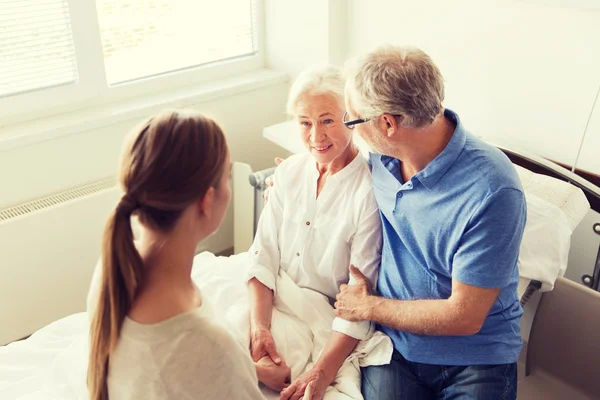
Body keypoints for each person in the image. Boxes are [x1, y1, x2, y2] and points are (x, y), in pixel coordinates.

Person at [331, 45, 527, 399]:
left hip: (476, 356)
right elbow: (326, 166)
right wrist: (288, 182)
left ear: (388, 123)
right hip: (394, 348)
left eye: (353, 120)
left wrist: (368, 306)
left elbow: (464, 316)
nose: (351, 128)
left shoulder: (493, 190)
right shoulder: (379, 159)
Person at [86, 110, 265, 400]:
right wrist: (233, 370)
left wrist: (249, 371)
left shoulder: (111, 271)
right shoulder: (209, 345)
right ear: (206, 200)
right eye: (227, 177)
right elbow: (190, 364)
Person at [247, 66, 382, 399]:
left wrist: (321, 373)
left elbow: (358, 298)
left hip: (318, 318)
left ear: (351, 118)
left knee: (277, 372)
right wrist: (259, 327)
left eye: (327, 121)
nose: (315, 137)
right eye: (305, 123)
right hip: (266, 301)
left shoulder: (368, 192)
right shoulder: (290, 171)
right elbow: (262, 255)